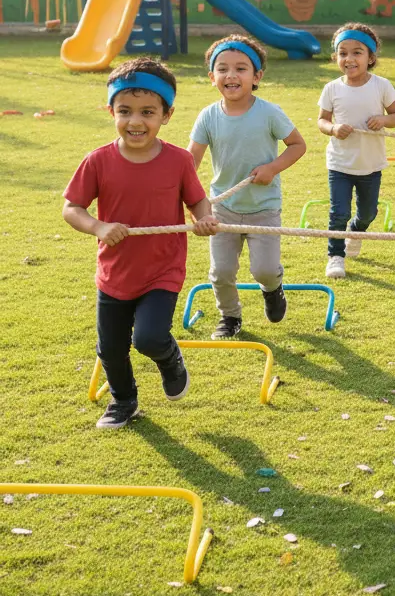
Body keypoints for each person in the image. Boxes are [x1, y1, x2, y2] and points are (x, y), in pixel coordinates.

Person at [62, 59, 218, 429]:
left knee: (148, 338)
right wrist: (98, 226)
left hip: (162, 269)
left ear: (167, 114)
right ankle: (124, 401)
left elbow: (196, 200)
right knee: (111, 349)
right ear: (111, 111)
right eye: (125, 111)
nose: (135, 121)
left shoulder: (179, 160)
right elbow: (72, 208)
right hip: (115, 272)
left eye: (148, 112)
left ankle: (169, 358)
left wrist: (203, 217)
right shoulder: (97, 161)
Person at [188, 35, 306, 339]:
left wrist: (272, 168)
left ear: (257, 77)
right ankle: (230, 317)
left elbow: (297, 145)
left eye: (241, 68)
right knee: (222, 272)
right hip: (222, 209)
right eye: (223, 69)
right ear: (212, 77)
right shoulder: (208, 117)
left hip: (263, 208)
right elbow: (189, 164)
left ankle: (273, 288)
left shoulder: (269, 113)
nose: (231, 75)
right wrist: (190, 204)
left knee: (263, 270)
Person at [317, 23, 395, 280]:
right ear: (336, 57)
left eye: (357, 52)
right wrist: (333, 129)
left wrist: (383, 120)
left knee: (368, 213)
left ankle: (357, 229)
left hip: (371, 164)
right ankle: (335, 256)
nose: (349, 59)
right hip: (340, 164)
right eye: (343, 53)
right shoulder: (332, 88)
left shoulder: (382, 86)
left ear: (371, 57)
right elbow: (321, 121)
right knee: (338, 212)